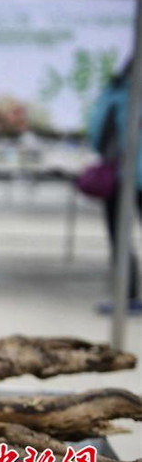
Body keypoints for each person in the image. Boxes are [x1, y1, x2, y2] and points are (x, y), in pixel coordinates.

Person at [88, 59, 142, 314]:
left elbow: (98, 133)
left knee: (121, 237)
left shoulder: (119, 92)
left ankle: (127, 294)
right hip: (129, 171)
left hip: (124, 173)